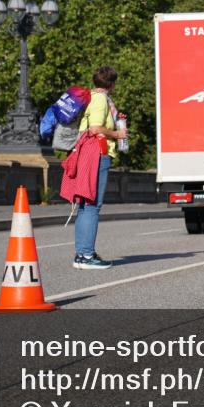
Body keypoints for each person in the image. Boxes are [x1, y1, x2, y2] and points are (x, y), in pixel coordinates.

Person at [73, 66, 128, 269]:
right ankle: (86, 255)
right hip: (96, 153)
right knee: (92, 205)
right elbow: (95, 128)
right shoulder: (100, 99)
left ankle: (83, 253)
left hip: (89, 153)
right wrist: (117, 135)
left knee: (85, 204)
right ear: (112, 83)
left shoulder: (92, 97)